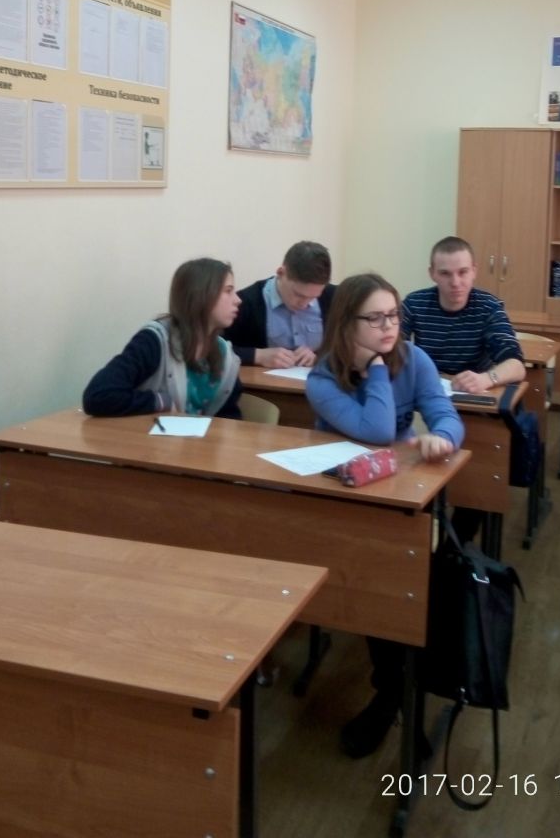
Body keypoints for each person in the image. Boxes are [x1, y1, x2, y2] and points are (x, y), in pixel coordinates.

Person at [306, 272, 464, 758]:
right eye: (374, 319)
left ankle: (395, 689)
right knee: (377, 580)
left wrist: (443, 436)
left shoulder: (414, 359)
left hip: (398, 499)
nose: (389, 327)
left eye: (393, 315)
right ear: (345, 324)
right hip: (342, 501)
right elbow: (375, 430)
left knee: (406, 578)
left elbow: (447, 415)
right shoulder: (322, 378)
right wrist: (376, 370)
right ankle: (395, 690)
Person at [402, 236, 525, 542]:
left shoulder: (488, 306)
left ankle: (455, 545)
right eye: (445, 273)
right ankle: (420, 530)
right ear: (432, 273)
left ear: (474, 271)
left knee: (478, 475)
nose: (455, 282)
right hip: (429, 400)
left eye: (462, 272)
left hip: (473, 405)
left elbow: (517, 365)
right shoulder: (415, 303)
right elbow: (392, 352)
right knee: (412, 462)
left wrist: (486, 378)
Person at [83, 257, 242, 418]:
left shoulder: (225, 356)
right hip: (151, 434)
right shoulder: (154, 341)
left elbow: (229, 418)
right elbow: (98, 395)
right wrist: (160, 402)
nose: (238, 300)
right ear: (201, 296)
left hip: (198, 435)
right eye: (228, 291)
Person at [224, 240, 335, 368]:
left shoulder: (334, 298)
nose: (304, 305)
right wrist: (257, 355)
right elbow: (216, 349)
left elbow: (348, 349)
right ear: (281, 273)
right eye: (299, 295)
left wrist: (320, 357)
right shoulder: (246, 302)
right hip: (262, 380)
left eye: (314, 297)